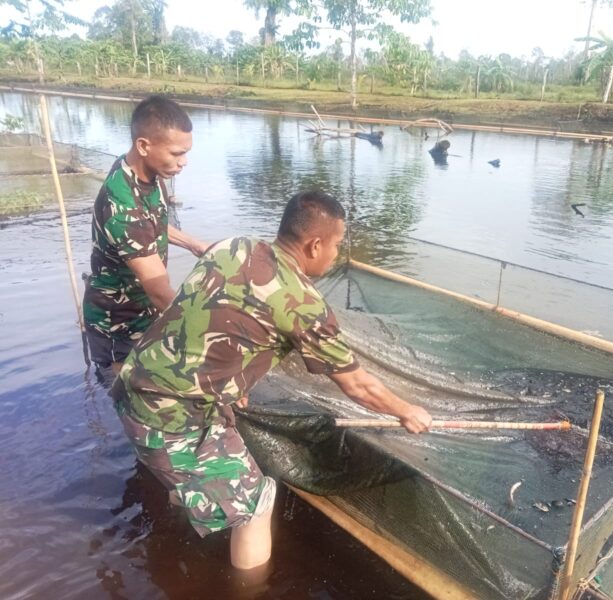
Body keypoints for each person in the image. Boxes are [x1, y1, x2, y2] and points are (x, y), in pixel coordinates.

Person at [111, 190, 432, 573]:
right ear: (315, 245)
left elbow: (210, 315)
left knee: (193, 469)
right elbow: (358, 385)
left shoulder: (233, 246)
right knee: (256, 506)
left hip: (132, 385)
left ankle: (180, 528)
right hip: (171, 418)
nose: (336, 255)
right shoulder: (305, 305)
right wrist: (406, 410)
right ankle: (250, 589)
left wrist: (234, 384)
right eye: (337, 245)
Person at [82, 95, 209, 381]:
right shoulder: (122, 205)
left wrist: (195, 244)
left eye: (186, 153)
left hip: (144, 309)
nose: (184, 162)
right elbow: (160, 291)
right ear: (143, 145)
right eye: (176, 153)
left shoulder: (144, 173)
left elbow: (150, 225)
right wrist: (208, 341)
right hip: (117, 321)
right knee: (126, 396)